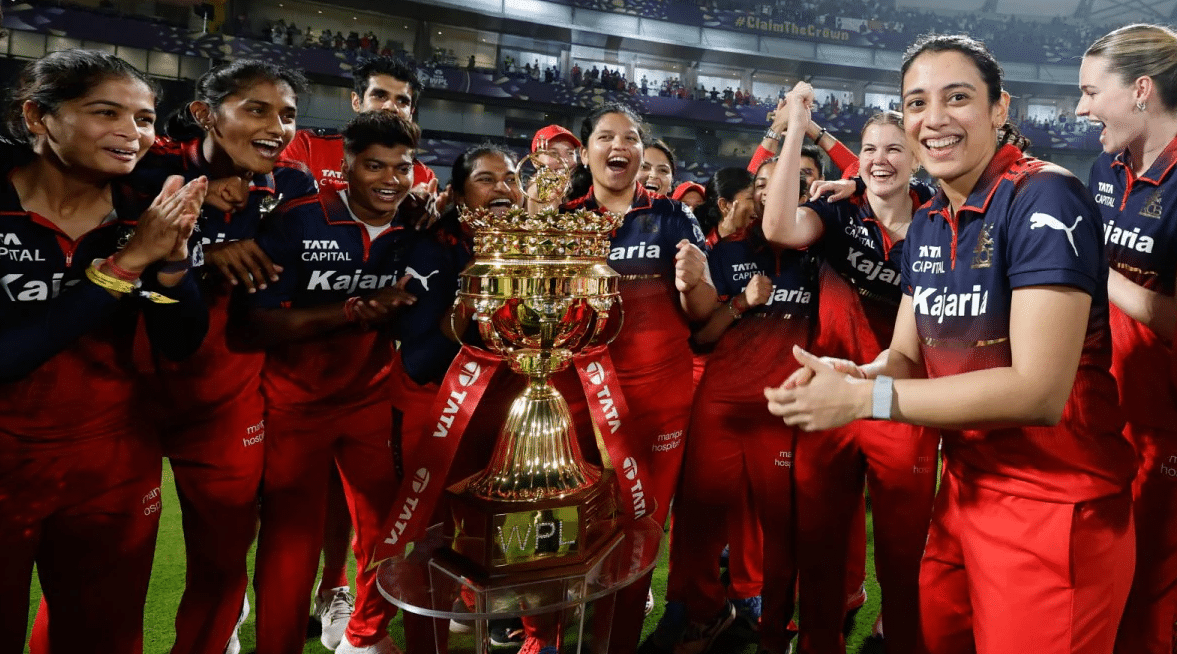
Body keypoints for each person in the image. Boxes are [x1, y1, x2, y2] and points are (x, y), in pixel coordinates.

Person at [766, 33, 1136, 654]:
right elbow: (906, 359)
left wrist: (867, 404)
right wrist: (856, 374)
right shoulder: (932, 221)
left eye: (956, 97)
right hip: (962, 496)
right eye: (916, 103)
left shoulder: (1045, 195)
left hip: (1055, 506)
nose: (932, 119)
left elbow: (1038, 390)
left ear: (999, 109)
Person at [0, 49, 208, 654]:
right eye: (106, 112)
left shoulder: (137, 214)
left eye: (144, 119)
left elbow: (179, 342)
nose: (132, 133)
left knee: (105, 638)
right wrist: (126, 265)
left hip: (111, 467)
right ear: (38, 116)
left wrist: (171, 264)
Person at [133, 59, 316, 654]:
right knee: (103, 574)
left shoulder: (293, 185)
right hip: (125, 396)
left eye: (287, 113)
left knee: (219, 561)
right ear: (205, 114)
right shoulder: (146, 166)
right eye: (257, 108)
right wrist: (205, 250)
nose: (278, 126)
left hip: (226, 398)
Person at [761, 88, 938, 654]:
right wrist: (796, 130)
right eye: (868, 150)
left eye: (893, 149)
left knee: (904, 552)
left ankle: (904, 638)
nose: (880, 159)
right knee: (818, 545)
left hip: (900, 404)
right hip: (828, 399)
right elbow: (779, 229)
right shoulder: (838, 212)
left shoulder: (942, 222)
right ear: (856, 158)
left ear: (915, 159)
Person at [247, 111, 425, 654]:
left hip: (370, 401)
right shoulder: (296, 221)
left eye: (403, 167)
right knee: (289, 543)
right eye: (375, 166)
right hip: (293, 406)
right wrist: (354, 310)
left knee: (385, 531)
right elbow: (256, 323)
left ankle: (362, 638)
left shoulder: (411, 229)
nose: (391, 180)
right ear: (345, 164)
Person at [562, 102, 716, 654]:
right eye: (605, 136)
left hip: (657, 401)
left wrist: (695, 280)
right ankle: (544, 638)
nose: (618, 145)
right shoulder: (561, 217)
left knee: (640, 527)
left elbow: (702, 311)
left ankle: (620, 638)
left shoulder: (674, 216)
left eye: (629, 137)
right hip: (574, 399)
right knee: (562, 520)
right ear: (586, 152)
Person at [661, 167, 818, 654]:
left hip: (785, 406)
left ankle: (774, 628)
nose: (773, 190)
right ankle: (706, 612)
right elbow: (702, 336)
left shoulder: (821, 253)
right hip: (723, 401)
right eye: (764, 183)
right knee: (700, 520)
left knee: (783, 526)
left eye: (787, 181)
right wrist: (744, 304)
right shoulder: (727, 252)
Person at [1076, 23, 1177, 654]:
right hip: (1103, 406)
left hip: (1164, 421)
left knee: (1147, 594)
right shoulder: (1104, 167)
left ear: (1141, 90)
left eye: (1090, 91)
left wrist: (1099, 270)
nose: (1080, 108)